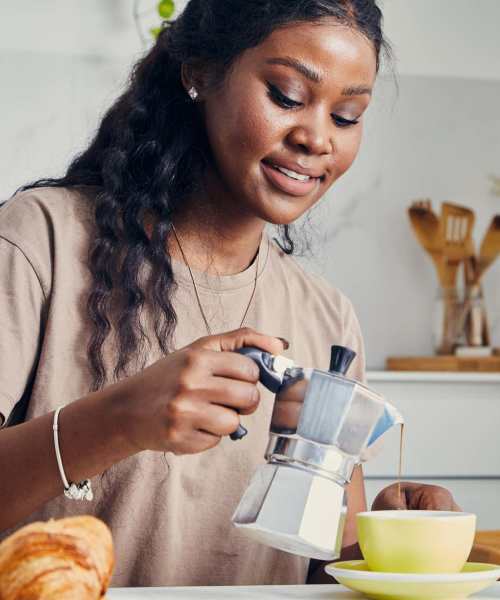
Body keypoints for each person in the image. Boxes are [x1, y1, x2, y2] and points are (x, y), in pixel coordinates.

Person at [0, 0, 460, 588]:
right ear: (198, 72)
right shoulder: (41, 243)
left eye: (346, 116)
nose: (316, 136)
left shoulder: (327, 318)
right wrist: (118, 420)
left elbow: (326, 569)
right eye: (288, 96)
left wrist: (389, 542)